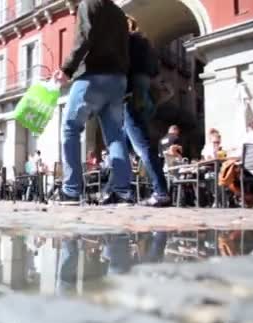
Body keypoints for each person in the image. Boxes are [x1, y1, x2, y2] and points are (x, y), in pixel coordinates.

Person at [54, 0, 132, 205]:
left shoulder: (88, 4)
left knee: (70, 129)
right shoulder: (119, 13)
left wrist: (67, 69)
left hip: (92, 76)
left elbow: (84, 37)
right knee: (115, 134)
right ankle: (122, 191)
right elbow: (126, 48)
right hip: (117, 79)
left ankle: (71, 190)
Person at [121, 16, 171, 207]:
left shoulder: (128, 42)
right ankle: (115, 191)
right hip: (144, 96)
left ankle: (161, 192)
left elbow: (122, 66)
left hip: (131, 94)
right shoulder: (145, 43)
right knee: (123, 149)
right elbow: (155, 71)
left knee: (142, 147)